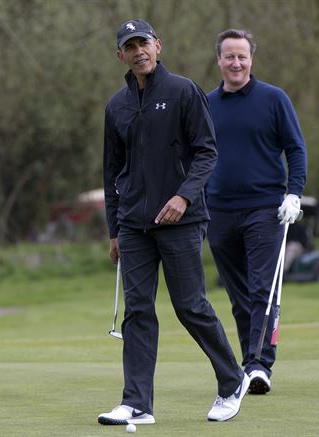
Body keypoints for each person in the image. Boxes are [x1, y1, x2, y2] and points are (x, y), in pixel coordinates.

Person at [99, 19, 248, 426]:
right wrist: (114, 229)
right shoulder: (117, 106)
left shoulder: (183, 91)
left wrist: (183, 196)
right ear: (121, 56)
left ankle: (232, 380)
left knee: (190, 306)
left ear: (158, 46)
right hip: (133, 225)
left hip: (181, 220)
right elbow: (111, 172)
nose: (138, 52)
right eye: (130, 47)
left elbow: (206, 152)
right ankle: (137, 404)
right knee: (138, 311)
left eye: (143, 43)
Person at [206, 29, 307, 395]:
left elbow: (295, 149)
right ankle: (251, 360)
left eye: (242, 56)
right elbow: (195, 157)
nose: (236, 63)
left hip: (266, 209)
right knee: (238, 295)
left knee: (262, 289)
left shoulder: (273, 99)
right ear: (218, 60)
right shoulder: (206, 105)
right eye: (229, 56)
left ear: (251, 60)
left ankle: (258, 365)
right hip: (217, 212)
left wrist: (294, 194)